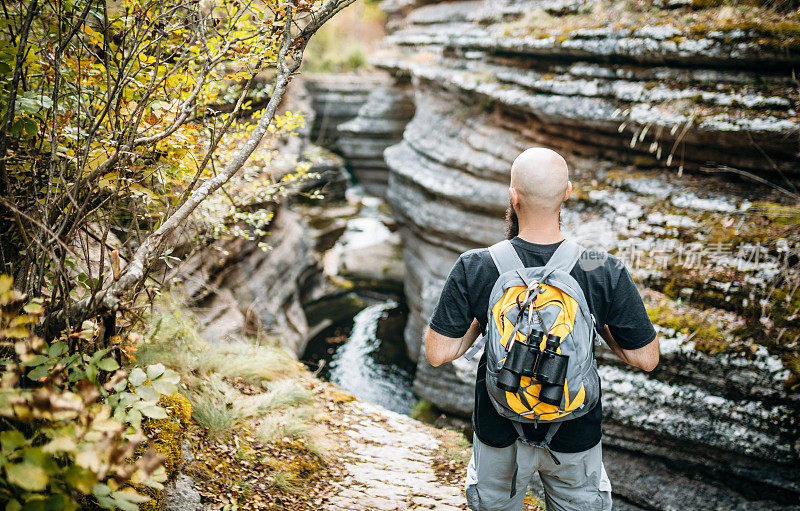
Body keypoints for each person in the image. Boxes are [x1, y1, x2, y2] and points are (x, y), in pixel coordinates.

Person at [424, 147, 660, 511]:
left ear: (513, 197)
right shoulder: (601, 266)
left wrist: (486, 321)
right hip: (575, 432)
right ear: (567, 192)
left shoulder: (477, 265)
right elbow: (646, 358)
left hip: (498, 429)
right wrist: (596, 324)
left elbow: (438, 354)